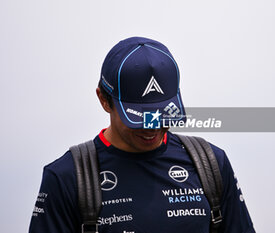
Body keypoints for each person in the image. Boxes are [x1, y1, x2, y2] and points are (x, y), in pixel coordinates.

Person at [29, 37, 255, 233]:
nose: (152, 127)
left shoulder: (211, 164)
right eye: (139, 117)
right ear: (103, 100)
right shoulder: (66, 178)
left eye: (162, 114)